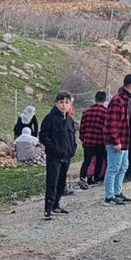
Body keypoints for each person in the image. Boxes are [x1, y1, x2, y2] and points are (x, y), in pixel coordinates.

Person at [103, 74, 131, 206]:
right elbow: (110, 123)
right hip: (117, 142)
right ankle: (109, 196)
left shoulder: (127, 100)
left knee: (123, 167)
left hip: (125, 141)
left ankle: (117, 192)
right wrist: (115, 141)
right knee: (113, 168)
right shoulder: (117, 100)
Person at [40, 91, 77, 219]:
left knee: (62, 182)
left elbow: (72, 136)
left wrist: (73, 148)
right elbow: (44, 136)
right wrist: (52, 148)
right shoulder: (50, 119)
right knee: (52, 182)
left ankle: (56, 204)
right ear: (56, 104)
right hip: (54, 156)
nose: (64, 105)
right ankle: (48, 208)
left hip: (66, 156)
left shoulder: (70, 120)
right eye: (61, 102)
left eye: (66, 102)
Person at [79, 91, 108, 185]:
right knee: (99, 161)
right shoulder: (105, 112)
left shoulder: (86, 111)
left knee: (86, 161)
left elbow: (82, 127)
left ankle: (82, 178)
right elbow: (106, 129)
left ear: (95, 99)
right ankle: (96, 178)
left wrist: (82, 138)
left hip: (88, 141)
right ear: (104, 100)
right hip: (99, 142)